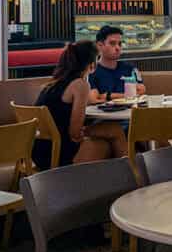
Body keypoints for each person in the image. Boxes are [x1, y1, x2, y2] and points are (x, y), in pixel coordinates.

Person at [34, 40, 127, 168]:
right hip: (58, 155)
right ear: (92, 64)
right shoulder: (80, 85)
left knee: (110, 133)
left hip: (39, 153)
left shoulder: (51, 84)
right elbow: (75, 133)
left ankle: (121, 175)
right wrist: (96, 131)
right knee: (112, 133)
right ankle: (131, 174)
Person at [88, 25, 145, 102]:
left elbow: (141, 91)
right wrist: (128, 95)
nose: (118, 48)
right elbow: (93, 99)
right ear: (99, 45)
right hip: (104, 110)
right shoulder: (91, 71)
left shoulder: (130, 68)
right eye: (112, 43)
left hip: (129, 109)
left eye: (120, 44)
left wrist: (107, 96)